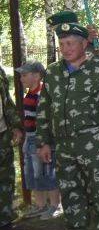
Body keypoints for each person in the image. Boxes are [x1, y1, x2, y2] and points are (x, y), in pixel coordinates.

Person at [37, 21, 99, 230]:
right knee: (70, 189)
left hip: (93, 141)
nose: (65, 48)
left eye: (70, 43)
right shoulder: (53, 72)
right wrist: (43, 141)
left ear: (84, 44)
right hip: (64, 143)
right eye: (62, 44)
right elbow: (44, 108)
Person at [16, 60, 60, 221]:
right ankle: (40, 205)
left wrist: (43, 142)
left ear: (36, 76)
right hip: (30, 136)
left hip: (40, 138)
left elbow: (46, 120)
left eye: (25, 75)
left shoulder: (42, 94)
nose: (21, 79)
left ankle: (55, 205)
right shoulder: (30, 93)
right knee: (33, 173)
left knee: (47, 172)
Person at [0, 60, 24, 230]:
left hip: (2, 133)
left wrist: (15, 125)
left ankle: (5, 219)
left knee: (6, 176)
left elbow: (6, 100)